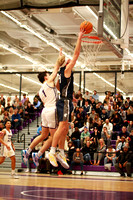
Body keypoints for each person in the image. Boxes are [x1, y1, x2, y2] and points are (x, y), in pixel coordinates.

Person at [48, 29, 85, 168]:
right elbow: (76, 54)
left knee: (65, 128)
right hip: (64, 102)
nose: (71, 60)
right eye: (67, 61)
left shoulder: (62, 73)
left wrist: (61, 55)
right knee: (62, 127)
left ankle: (61, 152)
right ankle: (52, 151)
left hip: (64, 100)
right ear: (66, 63)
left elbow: (58, 87)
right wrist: (79, 37)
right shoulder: (67, 70)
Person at [21, 50, 65, 167]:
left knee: (44, 135)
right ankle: (41, 152)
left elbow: (56, 87)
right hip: (51, 110)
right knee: (54, 136)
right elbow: (55, 68)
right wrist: (59, 59)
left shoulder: (41, 89)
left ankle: (29, 151)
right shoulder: (48, 81)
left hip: (45, 111)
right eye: (48, 74)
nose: (50, 74)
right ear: (46, 77)